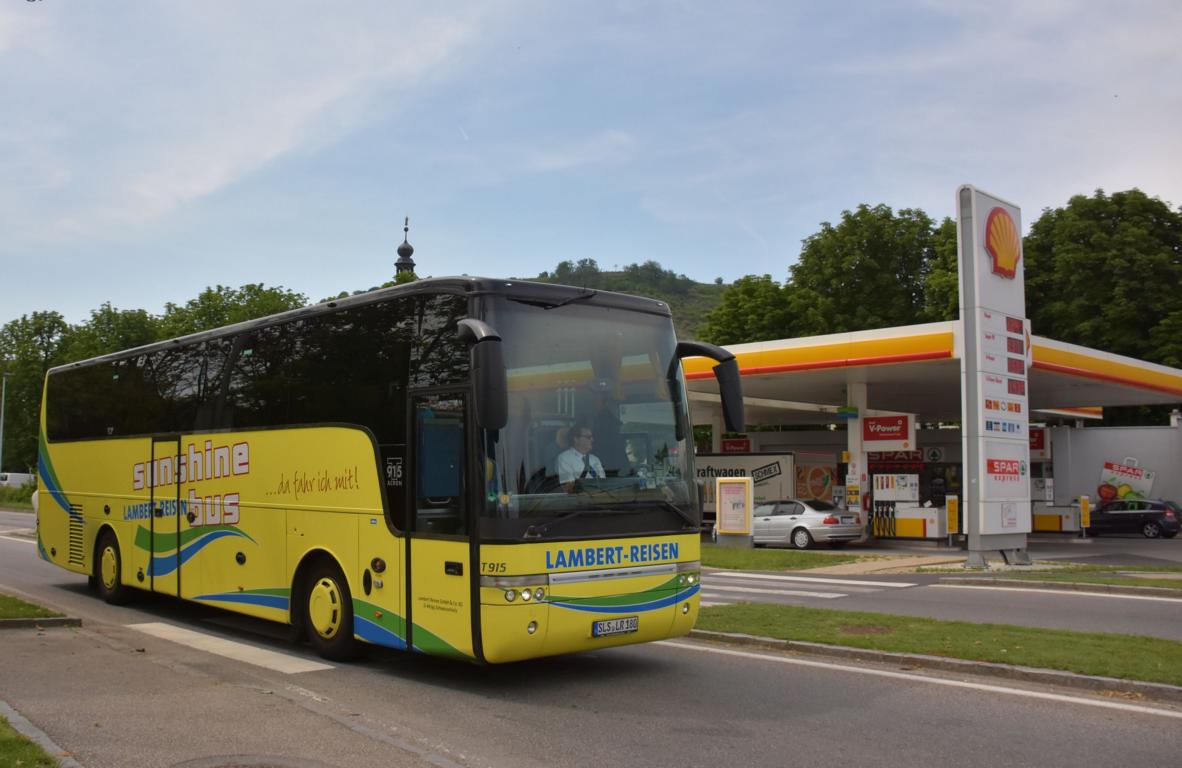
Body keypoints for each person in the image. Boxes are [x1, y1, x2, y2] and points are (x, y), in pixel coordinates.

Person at [555, 425, 606, 492]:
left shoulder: (595, 459)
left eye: (592, 437)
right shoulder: (564, 458)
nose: (592, 440)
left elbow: (603, 483)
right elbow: (569, 488)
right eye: (588, 437)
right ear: (576, 439)